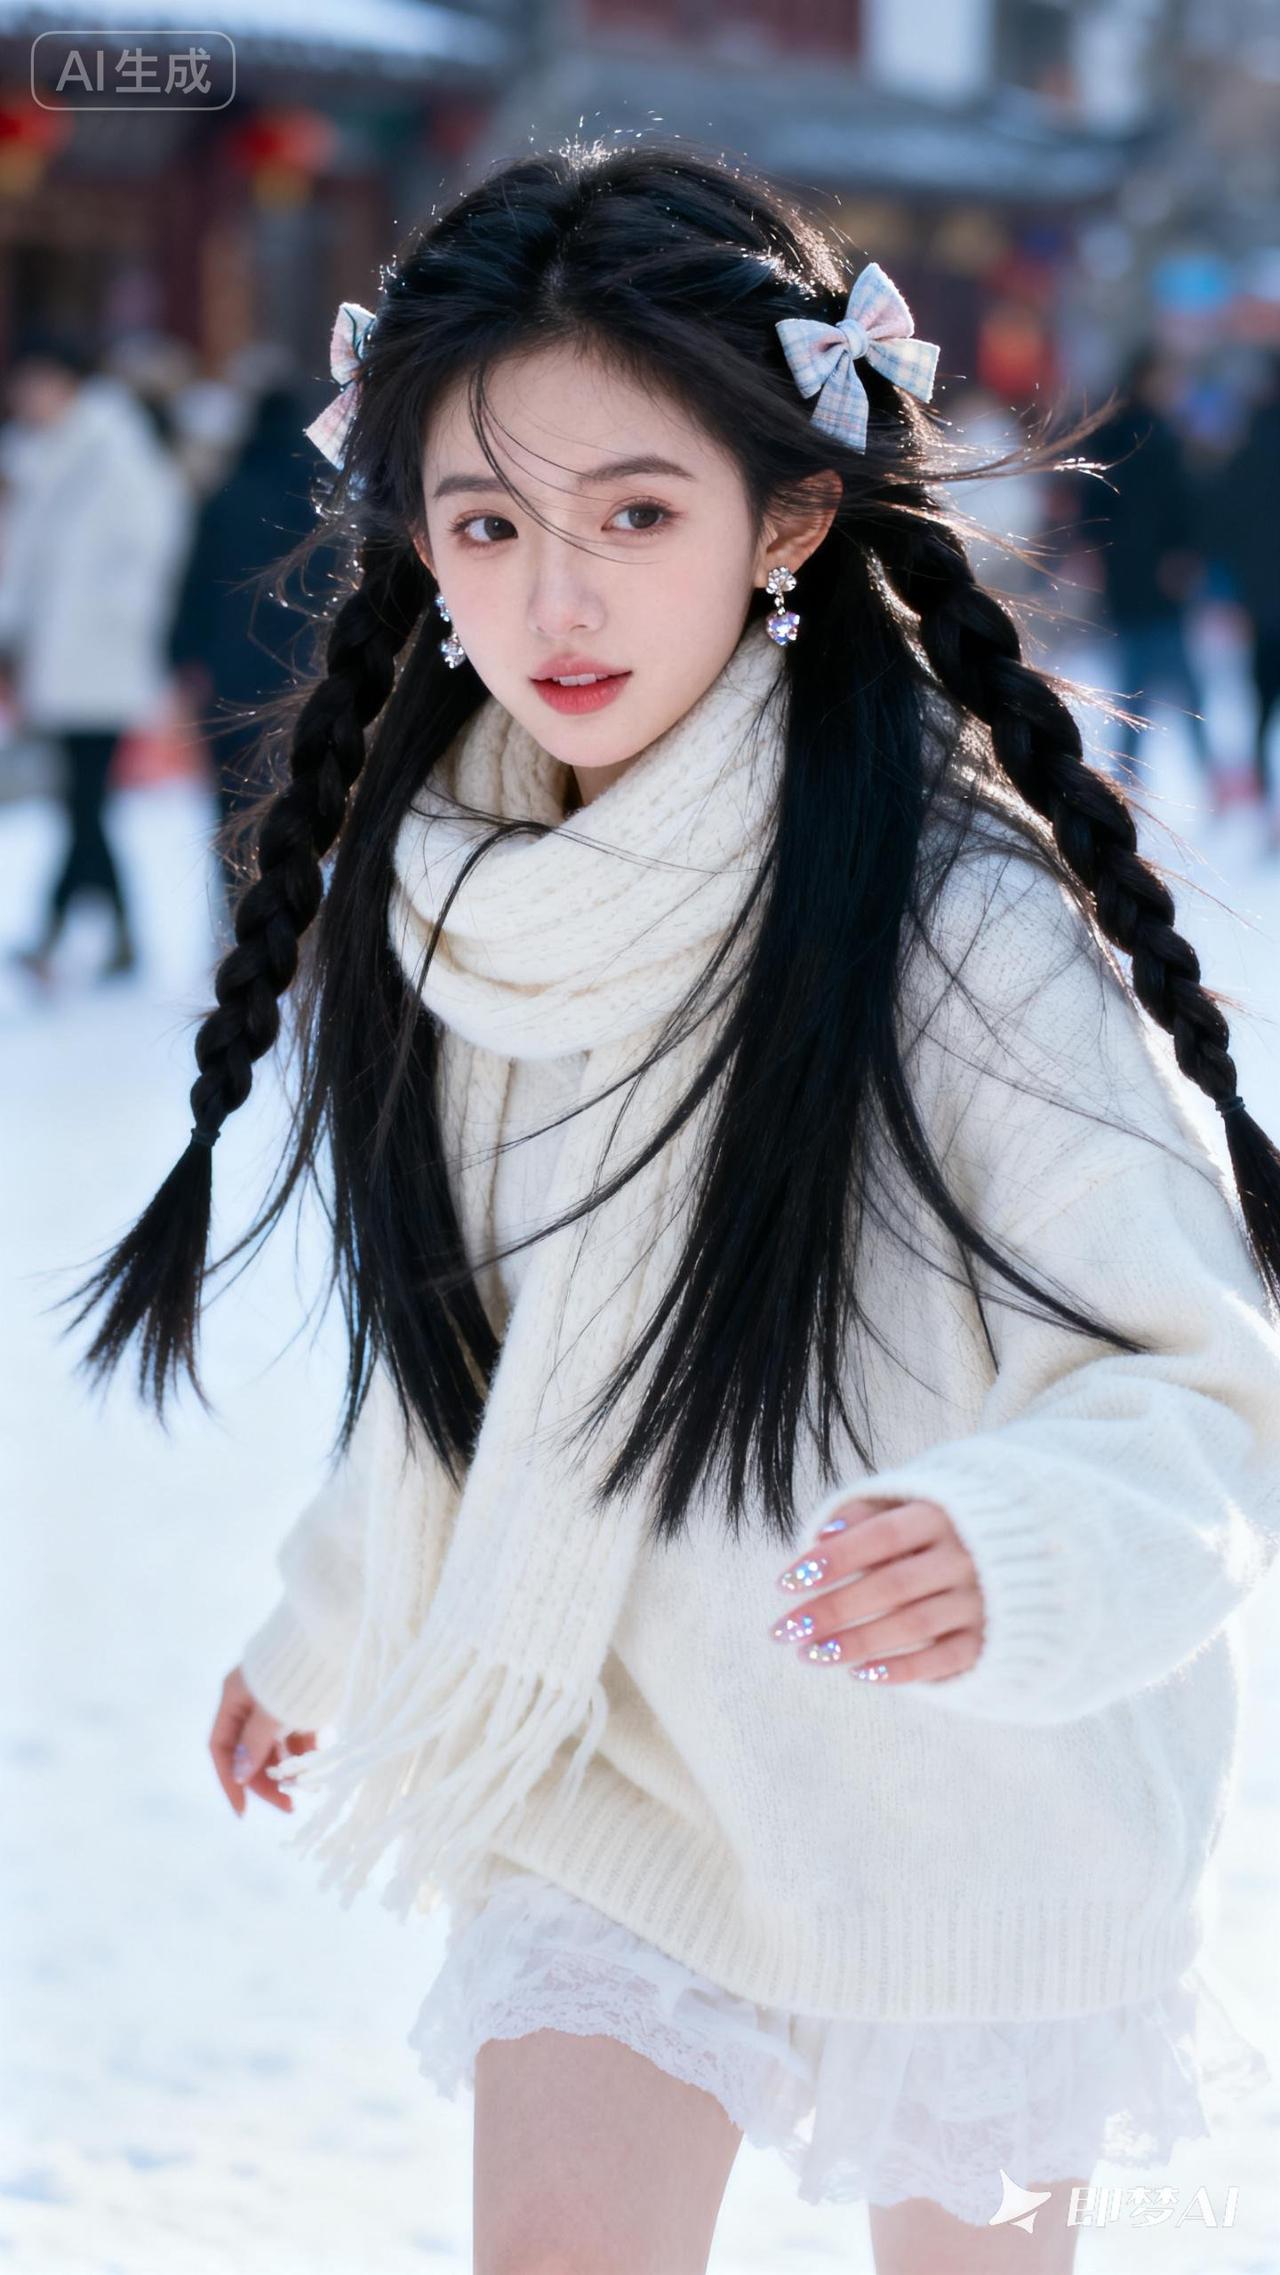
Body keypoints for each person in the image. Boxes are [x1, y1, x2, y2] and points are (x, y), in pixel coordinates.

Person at [59, 143, 1280, 2271]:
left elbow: (1205, 1386)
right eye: (488, 523)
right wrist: (331, 1617)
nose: (557, 602)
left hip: (969, 1788)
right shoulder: (462, 898)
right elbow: (492, 1358)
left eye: (635, 515)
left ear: (785, 518)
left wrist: (1016, 1548)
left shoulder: (953, 920)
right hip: (621, 1745)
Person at [0, 326, 192, 983]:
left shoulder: (112, 444)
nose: (27, 397)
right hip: (58, 659)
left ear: (66, 383)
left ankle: (56, 930)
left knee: (82, 800)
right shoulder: (40, 454)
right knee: (83, 801)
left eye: (37, 383)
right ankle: (119, 932)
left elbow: (156, 539)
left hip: (103, 657)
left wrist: (118, 618)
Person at [167, 380, 337, 929]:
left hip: (230, 677)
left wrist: (180, 656)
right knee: (301, 797)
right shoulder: (323, 504)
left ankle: (239, 913)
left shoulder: (227, 495)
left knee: (234, 801)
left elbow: (193, 587)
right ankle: (300, 915)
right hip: (305, 675)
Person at [1076, 344, 1217, 790]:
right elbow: (1100, 505)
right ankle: (1139, 774)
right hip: (1139, 575)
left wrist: (1186, 554)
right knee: (1150, 680)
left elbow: (1183, 508)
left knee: (1158, 680)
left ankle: (1173, 772)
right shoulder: (1137, 436)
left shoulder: (1156, 432)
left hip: (1149, 575)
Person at [1216, 352, 1280, 852]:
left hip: (1262, 600)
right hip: (1263, 596)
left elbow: (1225, 525)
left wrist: (1232, 593)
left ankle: (1267, 812)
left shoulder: (1247, 445)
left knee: (1262, 708)